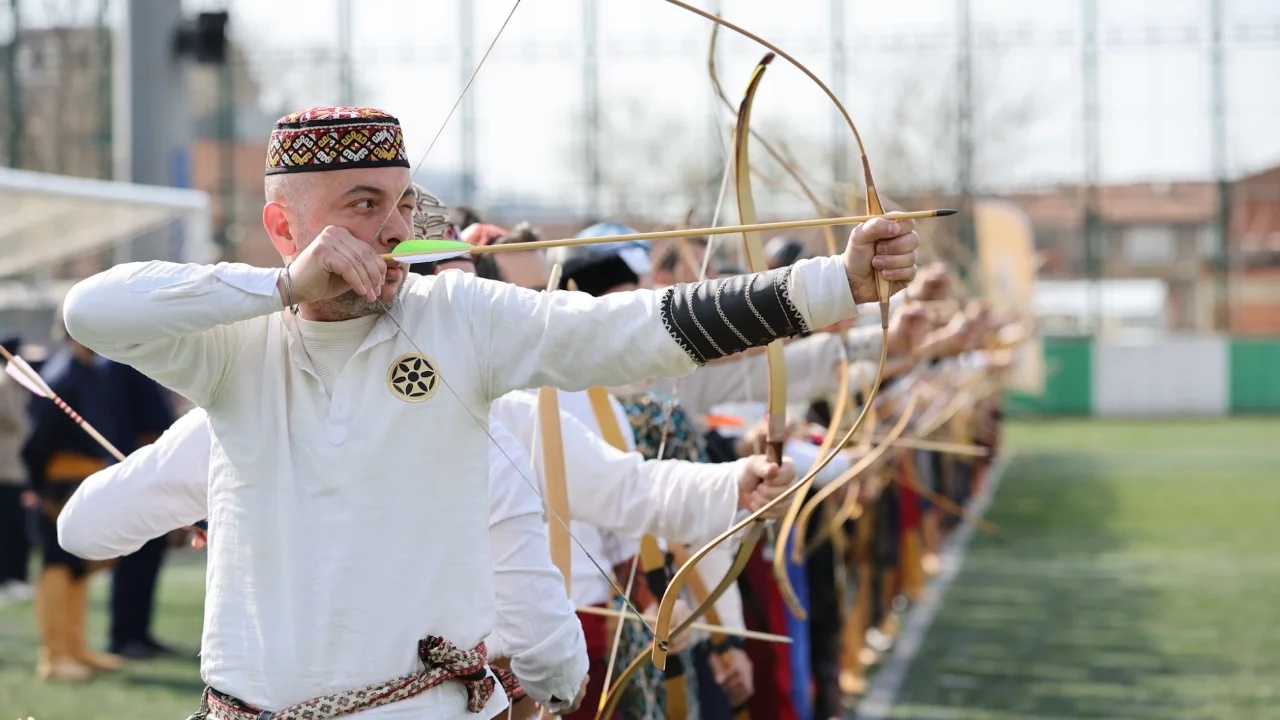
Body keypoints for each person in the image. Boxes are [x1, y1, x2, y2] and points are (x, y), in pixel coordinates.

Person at [61, 105, 920, 719]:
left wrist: (833, 286)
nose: (395, 227)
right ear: (284, 226)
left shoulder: (455, 318)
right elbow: (91, 311)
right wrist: (281, 289)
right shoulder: (232, 344)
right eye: (364, 205)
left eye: (402, 202)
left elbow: (624, 332)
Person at [20, 330, 125, 681]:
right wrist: (41, 487)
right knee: (58, 563)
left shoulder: (92, 372)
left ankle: (76, 648)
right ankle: (54, 655)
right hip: (60, 481)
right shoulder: (60, 377)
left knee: (80, 565)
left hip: (89, 475)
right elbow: (35, 443)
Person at [0, 335, 33, 605]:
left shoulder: (12, 379)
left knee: (15, 524)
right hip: (5, 466)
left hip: (14, 465)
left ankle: (15, 576)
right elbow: (16, 420)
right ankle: (7, 579)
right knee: (7, 525)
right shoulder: (3, 380)